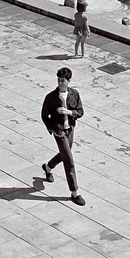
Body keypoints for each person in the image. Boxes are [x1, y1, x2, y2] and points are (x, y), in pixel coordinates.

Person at [41, 66, 85, 205]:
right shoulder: (50, 97)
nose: (60, 83)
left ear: (69, 81)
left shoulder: (75, 94)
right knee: (69, 161)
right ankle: (75, 192)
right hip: (59, 132)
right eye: (59, 80)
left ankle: (48, 167)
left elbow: (80, 112)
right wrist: (52, 128)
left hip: (69, 130)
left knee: (64, 154)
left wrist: (67, 112)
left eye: (63, 81)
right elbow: (44, 115)